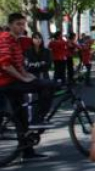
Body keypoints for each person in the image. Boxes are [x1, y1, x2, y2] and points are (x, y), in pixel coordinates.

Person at [0, 14, 56, 158]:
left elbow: (18, 65)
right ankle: (38, 118)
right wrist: (23, 78)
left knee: (21, 117)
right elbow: (5, 65)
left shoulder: (16, 41)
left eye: (23, 24)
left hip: (14, 81)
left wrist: (26, 74)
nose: (22, 27)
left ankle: (27, 151)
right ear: (10, 24)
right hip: (8, 83)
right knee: (48, 86)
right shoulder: (5, 39)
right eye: (18, 24)